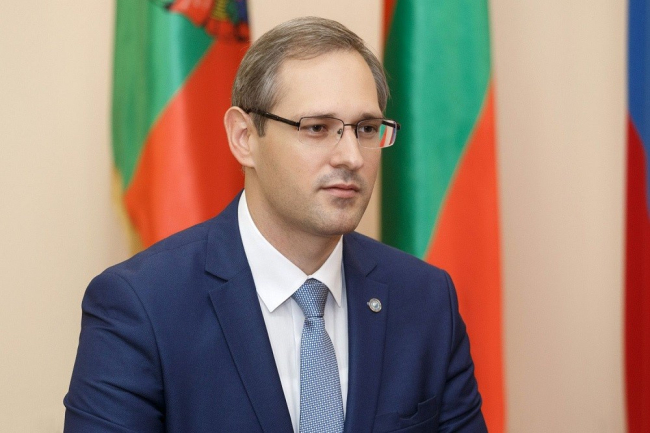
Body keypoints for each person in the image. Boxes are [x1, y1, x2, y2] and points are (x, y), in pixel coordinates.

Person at [64, 16, 486, 433]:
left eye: (367, 129)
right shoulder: (142, 306)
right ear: (244, 138)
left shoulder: (426, 300)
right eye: (317, 128)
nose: (352, 157)